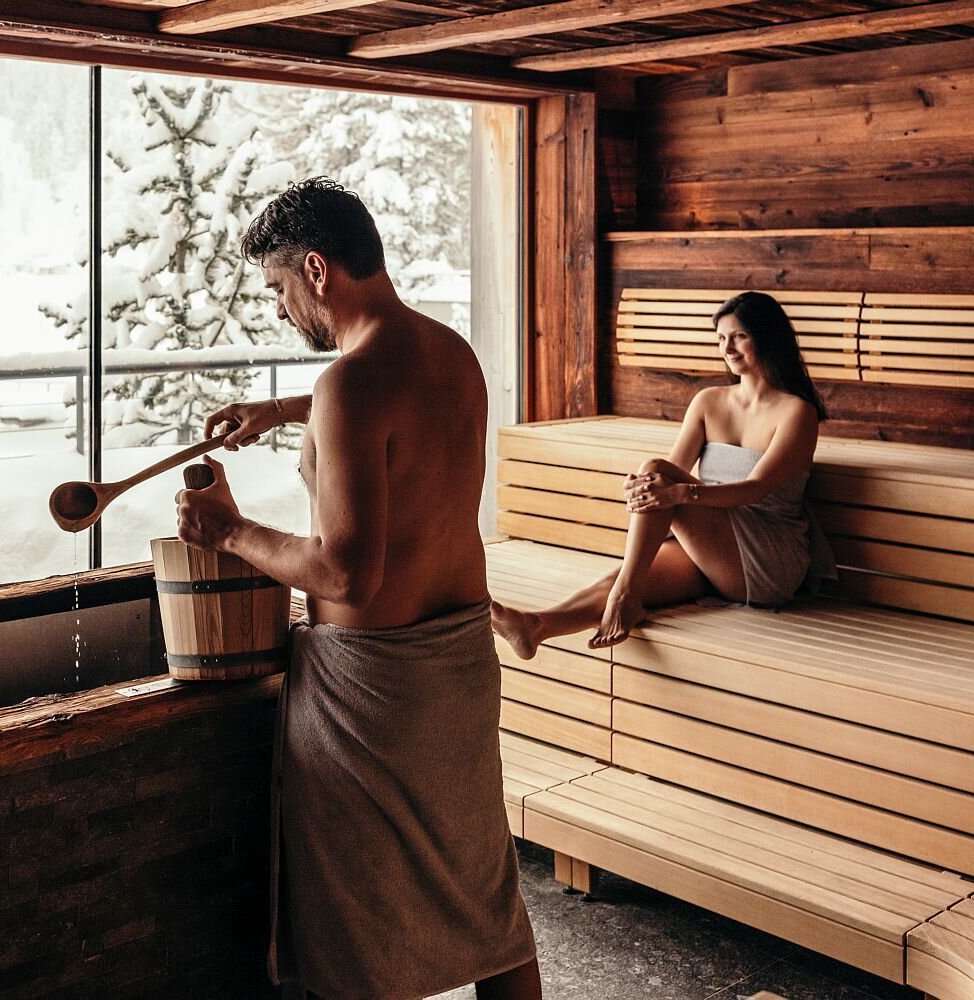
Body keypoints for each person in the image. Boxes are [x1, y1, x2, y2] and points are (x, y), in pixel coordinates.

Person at [176, 177, 541, 1000]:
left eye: (276, 289)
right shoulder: (447, 350)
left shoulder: (349, 386)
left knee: (362, 920)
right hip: (458, 664)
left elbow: (344, 570)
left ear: (315, 269)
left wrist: (229, 531)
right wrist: (283, 408)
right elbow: (388, 397)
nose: (277, 310)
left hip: (375, 692)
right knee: (483, 897)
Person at [492, 291, 836, 660]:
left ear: (767, 337)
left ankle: (626, 595)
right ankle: (535, 626)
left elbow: (755, 489)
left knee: (653, 482)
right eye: (721, 338)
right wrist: (643, 488)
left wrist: (675, 493)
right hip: (714, 543)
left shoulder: (797, 413)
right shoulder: (709, 402)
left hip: (765, 555)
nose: (728, 349)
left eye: (739, 336)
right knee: (628, 568)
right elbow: (675, 469)